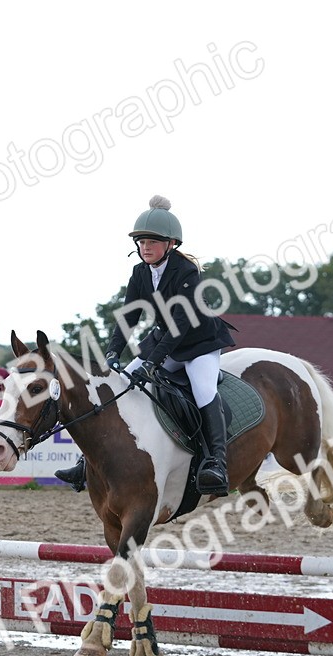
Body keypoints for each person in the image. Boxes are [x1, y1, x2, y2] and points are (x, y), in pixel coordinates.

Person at [55, 195, 235, 496]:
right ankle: (86, 464)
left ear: (170, 244)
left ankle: (216, 462)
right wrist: (112, 351)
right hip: (165, 340)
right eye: (141, 242)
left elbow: (180, 323)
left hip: (199, 342)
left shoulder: (186, 271)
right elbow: (128, 317)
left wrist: (153, 361)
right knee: (119, 382)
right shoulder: (140, 273)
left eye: (152, 241)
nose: (145, 247)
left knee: (203, 389)